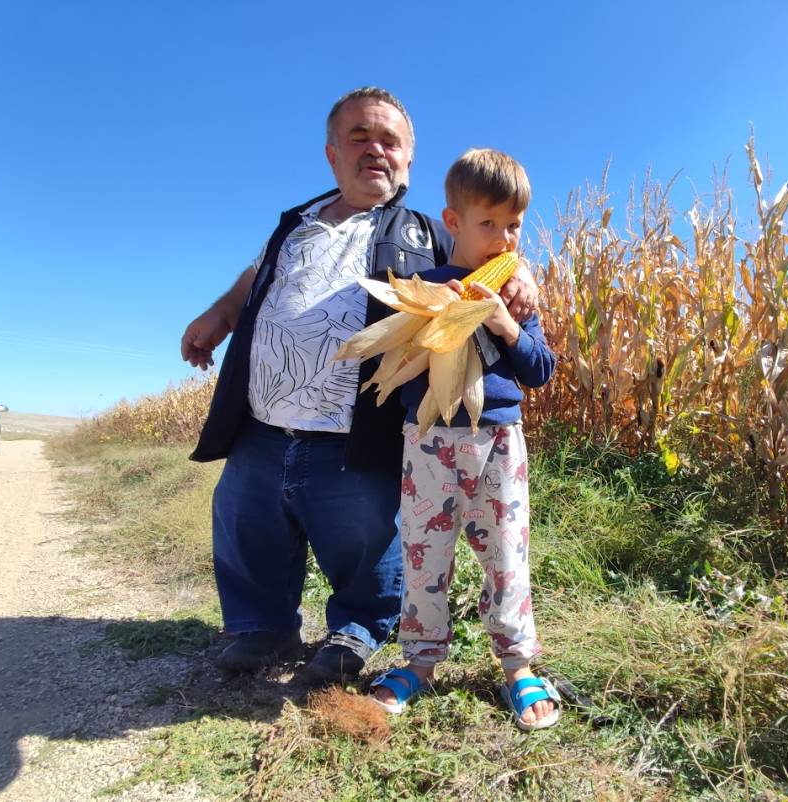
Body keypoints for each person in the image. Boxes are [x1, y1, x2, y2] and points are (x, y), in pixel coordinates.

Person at [180, 88, 538, 682]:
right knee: (247, 526)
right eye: (359, 137)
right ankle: (261, 627)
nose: (375, 149)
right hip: (262, 423)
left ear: (408, 161)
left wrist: (521, 270)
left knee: (365, 541)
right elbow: (256, 276)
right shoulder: (293, 227)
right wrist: (220, 316)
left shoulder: (429, 232)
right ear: (331, 154)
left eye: (389, 141)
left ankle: (356, 630)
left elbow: (491, 246)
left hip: (353, 432)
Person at [368, 149, 560, 731]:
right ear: (452, 222)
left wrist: (503, 322)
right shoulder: (422, 287)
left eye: (514, 226)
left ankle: (518, 665)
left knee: (507, 555)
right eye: (488, 224)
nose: (503, 238)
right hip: (428, 439)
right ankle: (420, 664)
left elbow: (541, 369)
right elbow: (403, 362)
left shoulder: (518, 296)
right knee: (425, 554)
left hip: (499, 437)